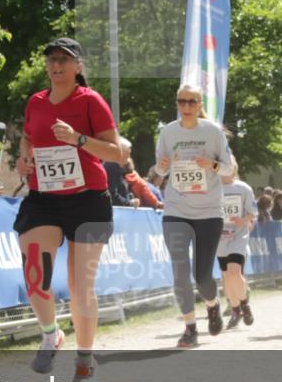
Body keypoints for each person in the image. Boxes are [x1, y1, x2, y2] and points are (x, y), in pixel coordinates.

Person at [14, 37, 122, 382]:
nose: (56, 65)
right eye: (51, 59)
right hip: (44, 197)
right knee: (34, 272)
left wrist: (78, 139)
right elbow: (28, 137)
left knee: (79, 286)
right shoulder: (36, 101)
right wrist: (25, 157)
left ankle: (85, 356)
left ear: (79, 66)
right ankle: (50, 334)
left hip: (88, 199)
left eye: (64, 59)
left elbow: (117, 153)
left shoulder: (90, 101)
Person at [154, 84, 234, 348]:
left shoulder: (213, 132)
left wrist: (210, 164)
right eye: (182, 101)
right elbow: (161, 169)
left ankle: (212, 304)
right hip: (176, 209)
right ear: (177, 103)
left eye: (192, 102)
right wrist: (162, 167)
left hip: (209, 212)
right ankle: (190, 328)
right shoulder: (167, 131)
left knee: (202, 277)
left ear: (200, 105)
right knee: (179, 270)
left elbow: (228, 171)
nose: (186, 106)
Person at [218, 155, 256, 329]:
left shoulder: (244, 188)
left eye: (228, 165)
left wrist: (243, 219)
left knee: (234, 271)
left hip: (238, 236)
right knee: (226, 277)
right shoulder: (212, 188)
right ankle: (235, 310)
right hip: (219, 238)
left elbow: (252, 213)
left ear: (234, 167)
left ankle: (244, 305)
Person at [104, 136, 138, 207]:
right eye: (128, 153)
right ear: (121, 152)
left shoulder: (115, 166)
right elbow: (112, 196)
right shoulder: (113, 166)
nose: (129, 157)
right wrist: (130, 203)